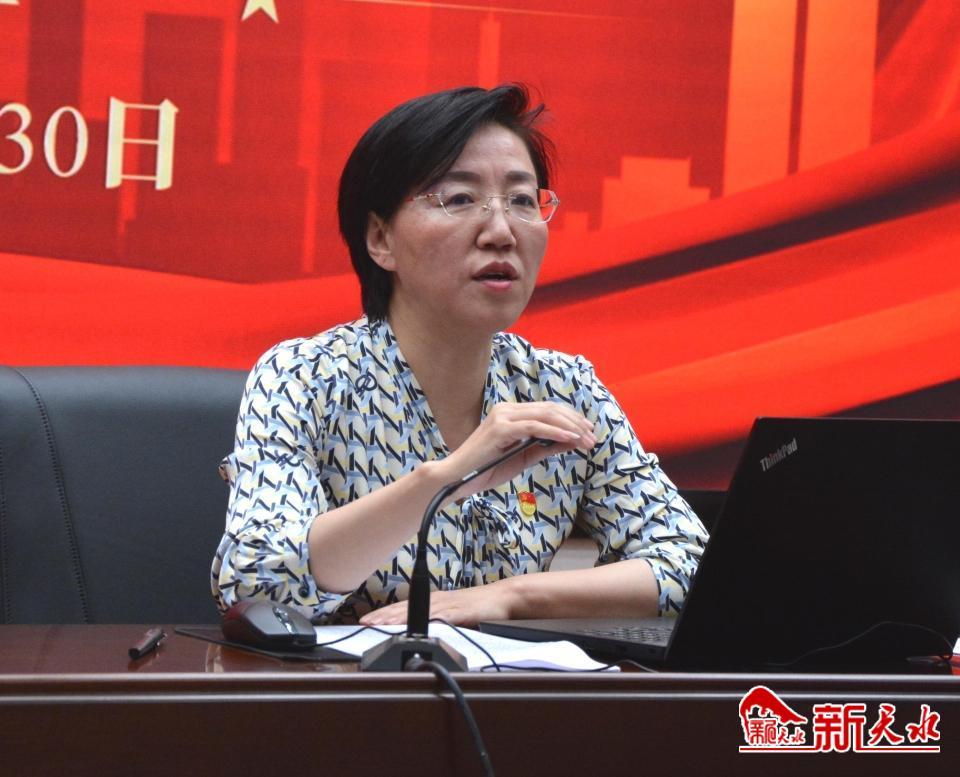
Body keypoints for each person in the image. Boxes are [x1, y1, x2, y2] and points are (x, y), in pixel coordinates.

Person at [211, 84, 708, 626]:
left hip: (508, 681)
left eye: (522, 200)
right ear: (381, 239)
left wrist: (512, 597)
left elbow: (693, 564)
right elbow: (258, 584)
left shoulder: (564, 388)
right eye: (460, 199)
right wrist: (450, 476)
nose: (501, 232)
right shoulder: (304, 377)